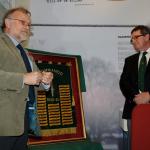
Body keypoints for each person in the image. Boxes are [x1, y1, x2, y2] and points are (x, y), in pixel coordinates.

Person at [0, 7, 53, 150]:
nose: (27, 27)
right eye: (23, 22)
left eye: (29, 24)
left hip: (23, 120)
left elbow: (34, 80)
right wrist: (23, 78)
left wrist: (45, 81)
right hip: (3, 122)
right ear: (8, 23)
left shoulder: (24, 52)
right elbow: (25, 79)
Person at [120, 25, 150, 149]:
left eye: (136, 37)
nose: (133, 41)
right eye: (131, 39)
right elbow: (123, 83)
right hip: (133, 111)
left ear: (147, 36)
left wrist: (149, 95)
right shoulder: (129, 60)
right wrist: (136, 97)